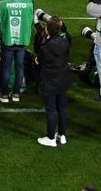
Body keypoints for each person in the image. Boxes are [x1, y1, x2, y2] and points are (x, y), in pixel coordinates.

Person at [35, 15, 72, 147]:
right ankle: (62, 135)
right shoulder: (65, 42)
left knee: (51, 110)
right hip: (62, 80)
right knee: (62, 108)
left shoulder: (45, 47)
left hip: (49, 81)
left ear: (48, 30)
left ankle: (51, 138)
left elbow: (38, 61)